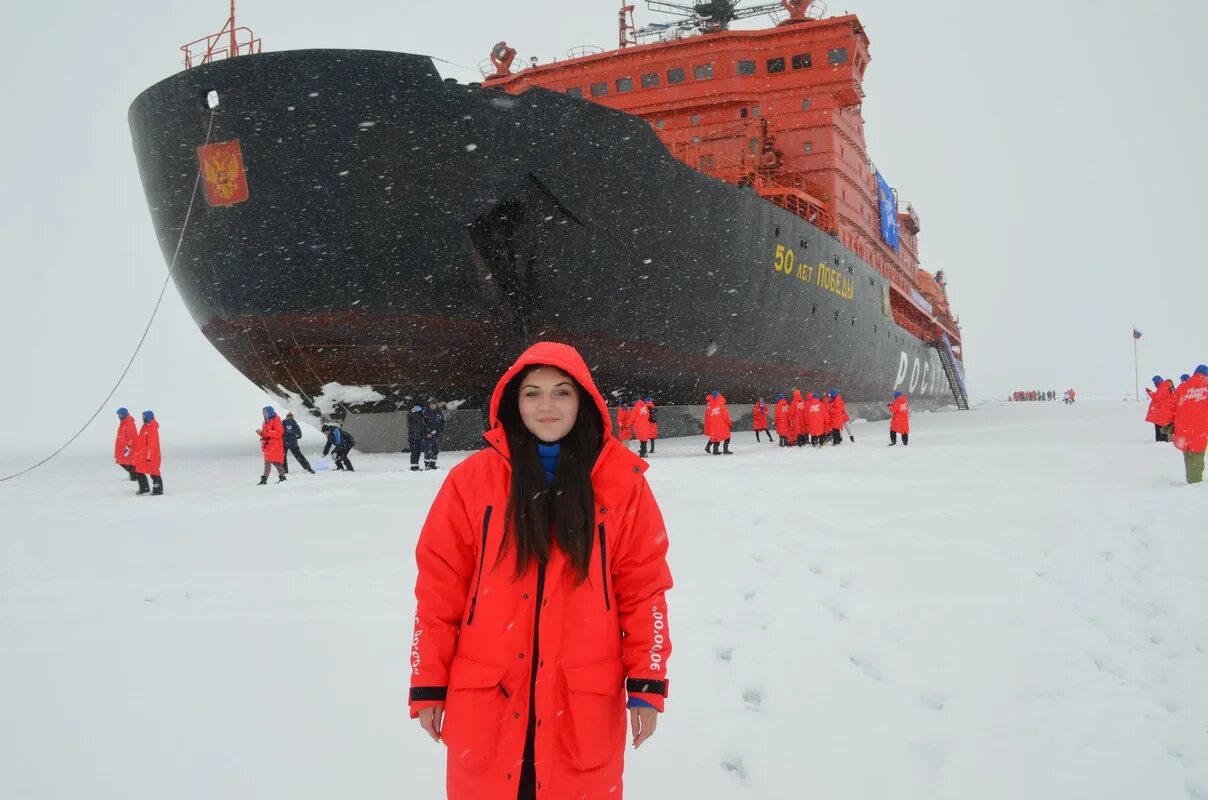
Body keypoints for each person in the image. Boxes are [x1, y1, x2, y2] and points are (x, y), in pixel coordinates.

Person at [407, 341, 672, 800]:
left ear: (582, 400)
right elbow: (439, 589)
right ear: (514, 402)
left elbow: (644, 591)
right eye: (532, 393)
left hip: (579, 701)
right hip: (489, 694)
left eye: (561, 392)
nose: (546, 406)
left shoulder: (622, 485)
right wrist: (428, 682)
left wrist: (647, 686)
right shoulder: (471, 481)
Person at [1172, 365, 1208, 484]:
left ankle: (1192, 481)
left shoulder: (1182, 387)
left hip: (1184, 430)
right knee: (1197, 456)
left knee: (1188, 455)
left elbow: (1172, 407)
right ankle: (1195, 485)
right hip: (1200, 429)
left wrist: (1169, 425)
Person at [131, 410, 163, 495]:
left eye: (143, 417)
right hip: (143, 454)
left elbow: (152, 444)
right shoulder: (145, 426)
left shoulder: (152, 428)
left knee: (153, 472)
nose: (142, 418)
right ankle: (144, 488)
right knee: (139, 470)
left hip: (150, 456)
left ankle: (158, 490)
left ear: (148, 417)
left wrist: (149, 456)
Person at [257, 406, 287, 485]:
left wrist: (266, 432)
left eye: (265, 413)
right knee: (272, 462)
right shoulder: (265, 421)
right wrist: (261, 434)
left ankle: (265, 479)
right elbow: (266, 433)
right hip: (269, 444)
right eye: (263, 413)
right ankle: (282, 477)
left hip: (276, 444)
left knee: (272, 461)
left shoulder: (276, 419)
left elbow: (279, 433)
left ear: (269, 412)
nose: (264, 414)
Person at [1145, 375, 1176, 442]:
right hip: (1166, 412)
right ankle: (1164, 441)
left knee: (1160, 430)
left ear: (1158, 381)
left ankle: (1161, 443)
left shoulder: (1163, 386)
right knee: (1165, 429)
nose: (1155, 384)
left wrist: (1150, 392)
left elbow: (1156, 398)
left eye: (1155, 382)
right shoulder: (1168, 387)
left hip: (1162, 413)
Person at [114, 407, 138, 482]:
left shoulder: (129, 422)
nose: (119, 417)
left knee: (126, 462)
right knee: (123, 461)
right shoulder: (123, 422)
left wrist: (128, 447)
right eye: (118, 415)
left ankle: (134, 476)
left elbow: (132, 436)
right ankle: (133, 475)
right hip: (122, 447)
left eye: (120, 415)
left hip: (127, 447)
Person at [422, 400, 447, 470]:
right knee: (428, 450)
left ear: (436, 405)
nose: (432, 406)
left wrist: (440, 430)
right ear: (429, 405)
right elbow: (423, 424)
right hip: (428, 435)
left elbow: (443, 422)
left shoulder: (439, 413)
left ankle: (433, 464)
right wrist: (428, 432)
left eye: (434, 404)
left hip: (437, 435)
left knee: (435, 450)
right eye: (431, 404)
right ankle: (427, 465)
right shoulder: (426, 413)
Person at [408, 404, 426, 471]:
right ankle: (413, 466)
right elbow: (410, 420)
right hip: (413, 438)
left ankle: (416, 466)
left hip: (419, 437)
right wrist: (412, 412)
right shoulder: (411, 415)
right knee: (414, 452)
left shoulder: (420, 416)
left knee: (418, 452)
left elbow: (422, 427)